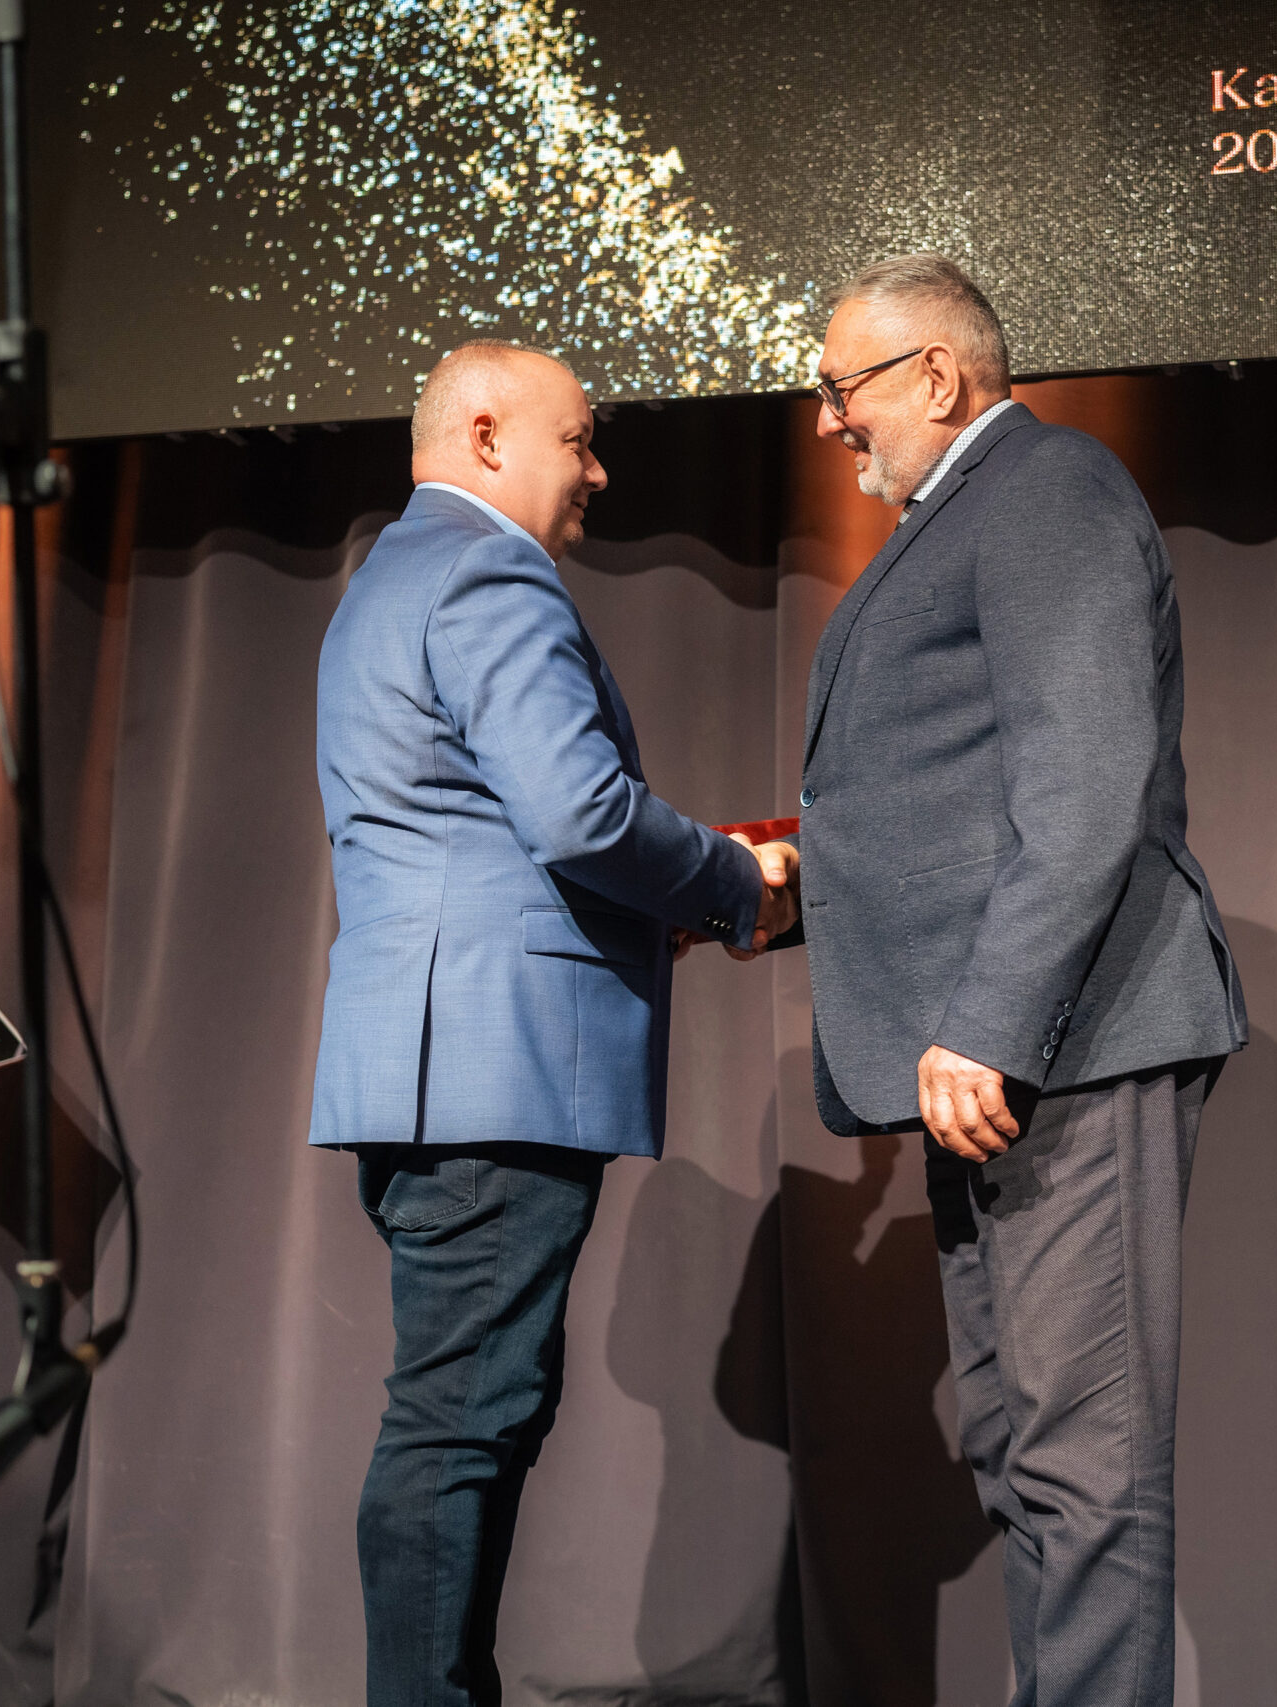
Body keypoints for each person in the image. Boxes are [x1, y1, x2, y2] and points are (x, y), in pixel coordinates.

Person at [770, 255, 1248, 1706]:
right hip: (998, 1064)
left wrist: (988, 1023)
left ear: (936, 374)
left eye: (842, 386)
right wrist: (776, 885)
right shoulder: (964, 512)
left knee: (1083, 1466)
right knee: (1022, 1452)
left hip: (1063, 1043)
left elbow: (1087, 779)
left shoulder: (1046, 489)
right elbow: (944, 801)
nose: (827, 420)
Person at [308, 341, 795, 1706]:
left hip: (434, 1063)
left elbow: (486, 832)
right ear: (483, 434)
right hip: (493, 1071)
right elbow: (580, 814)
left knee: (464, 1415)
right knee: (462, 1422)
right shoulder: (488, 571)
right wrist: (730, 880)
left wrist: (657, 906)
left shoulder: (390, 576)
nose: (598, 471)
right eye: (577, 440)